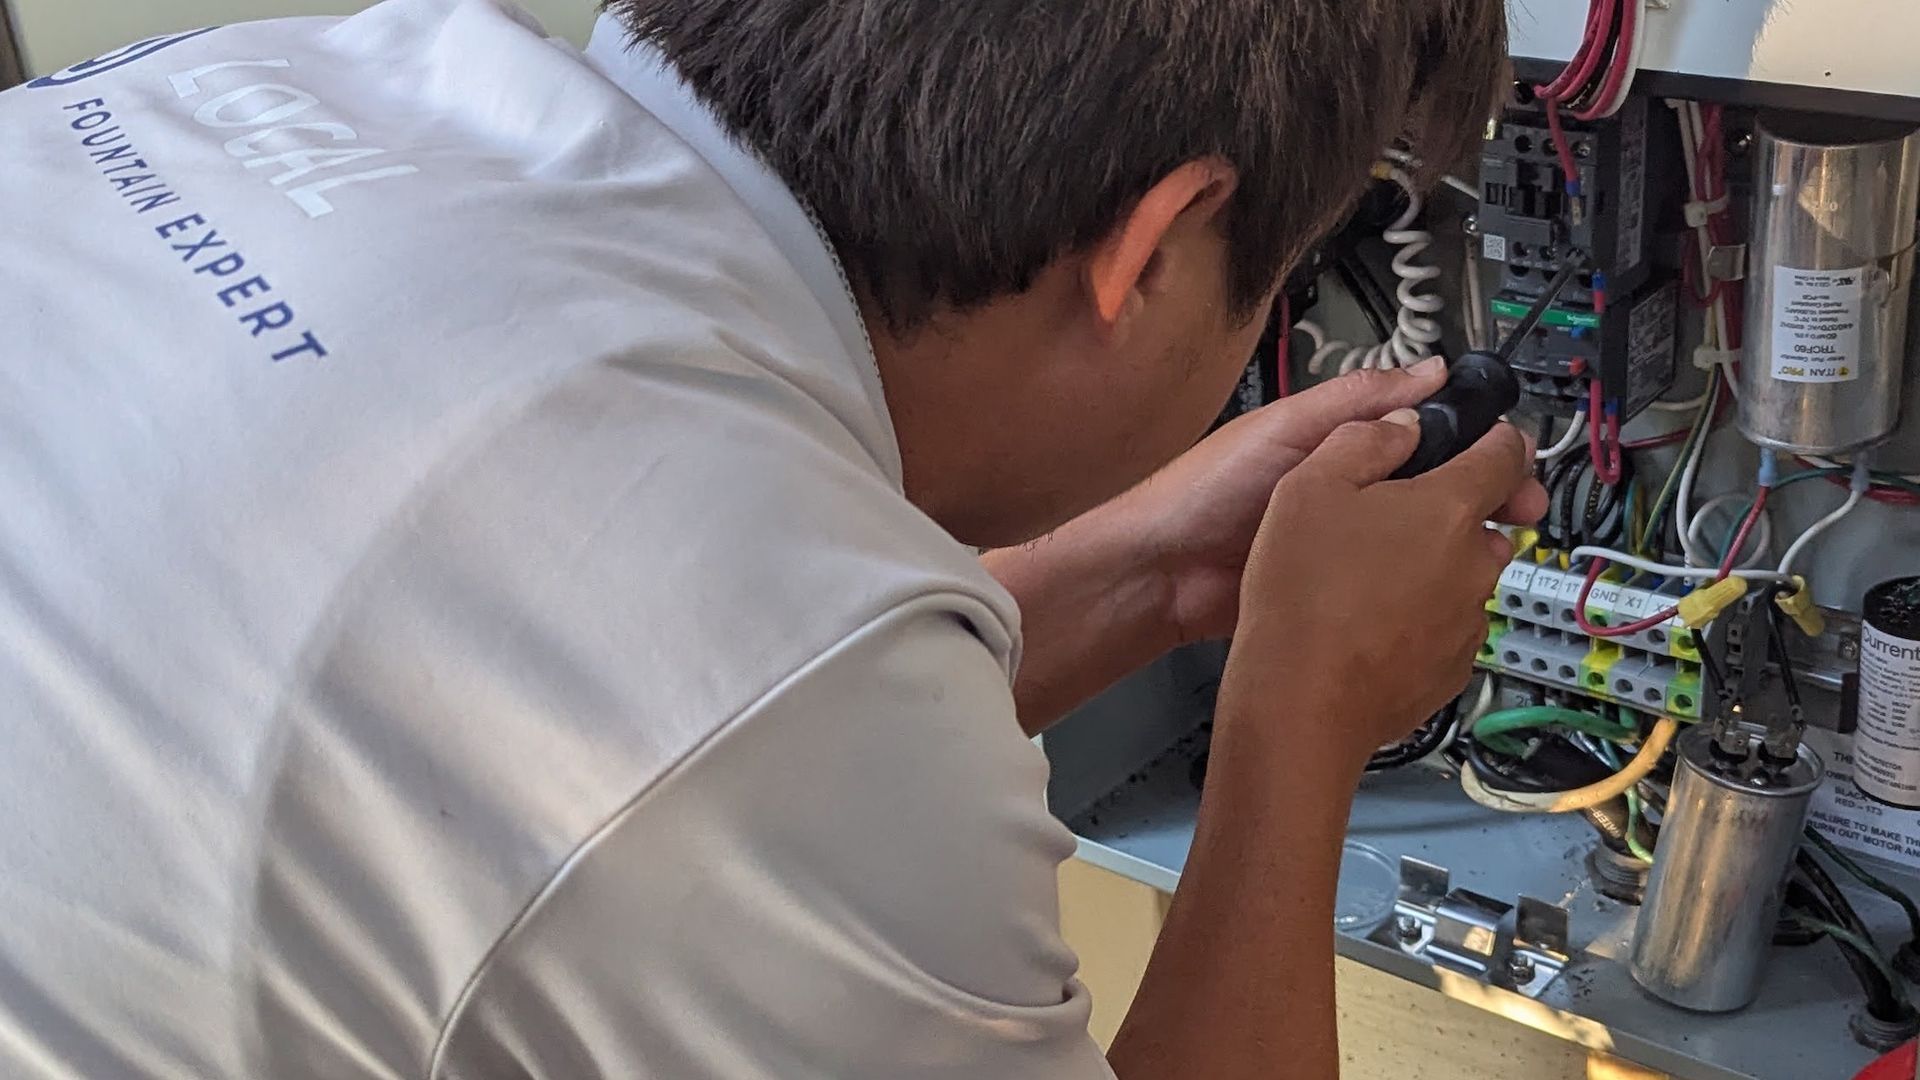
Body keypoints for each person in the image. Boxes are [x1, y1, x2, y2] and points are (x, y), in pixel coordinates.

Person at [0, 0, 1540, 1075]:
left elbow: (625, 767)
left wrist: (1159, 579)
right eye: (1278, 274)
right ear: (1156, 246)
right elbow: (737, 720)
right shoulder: (765, 652)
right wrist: (1303, 709)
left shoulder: (285, 75)